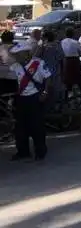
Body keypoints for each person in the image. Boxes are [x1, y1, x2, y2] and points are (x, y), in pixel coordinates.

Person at [1, 31, 51, 161]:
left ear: (26, 53)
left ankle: (40, 151)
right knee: (20, 127)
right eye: (16, 55)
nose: (17, 57)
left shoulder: (38, 63)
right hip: (21, 99)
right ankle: (23, 151)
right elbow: (8, 77)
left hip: (35, 98)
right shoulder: (15, 66)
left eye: (19, 54)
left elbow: (48, 78)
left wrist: (45, 92)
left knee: (37, 126)